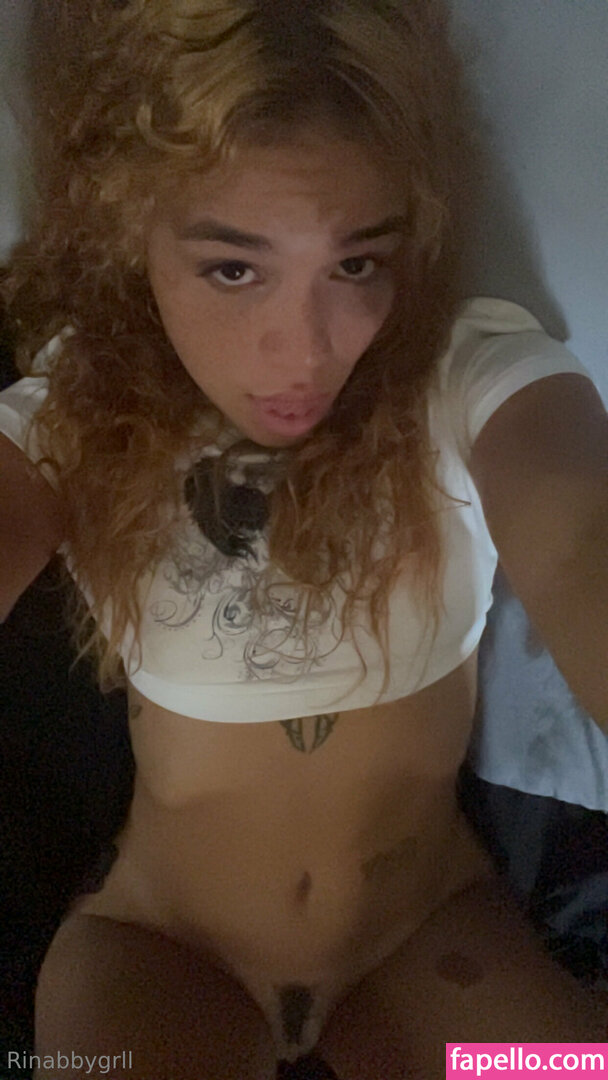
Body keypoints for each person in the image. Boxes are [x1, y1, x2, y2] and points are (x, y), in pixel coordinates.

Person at [0, 1, 606, 1077]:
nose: (306, 351)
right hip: (163, 950)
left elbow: (578, 536)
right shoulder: (80, 410)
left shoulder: (465, 371)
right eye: (234, 270)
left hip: (430, 939)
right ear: (132, 227)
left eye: (356, 264)